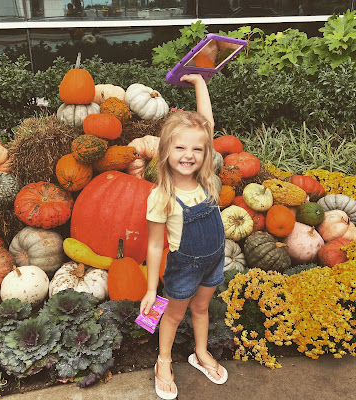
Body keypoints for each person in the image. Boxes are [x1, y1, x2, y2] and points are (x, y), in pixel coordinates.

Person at [140, 74, 227, 400]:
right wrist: (151, 289)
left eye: (196, 149)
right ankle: (163, 361)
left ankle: (200, 353)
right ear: (165, 150)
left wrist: (200, 83)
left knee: (201, 309)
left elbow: (207, 125)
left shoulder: (207, 180)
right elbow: (154, 246)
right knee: (174, 315)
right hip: (184, 267)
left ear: (205, 152)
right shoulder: (162, 195)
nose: (188, 155)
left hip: (213, 261)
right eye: (179, 147)